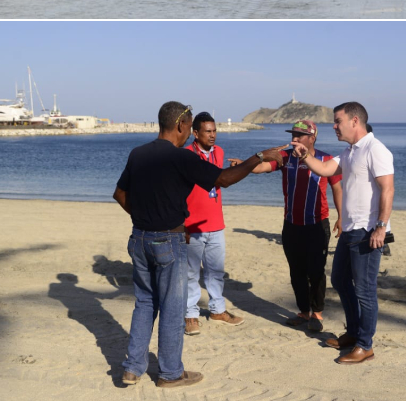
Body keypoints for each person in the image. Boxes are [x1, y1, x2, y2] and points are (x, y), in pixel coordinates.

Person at [113, 101, 283, 388]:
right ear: (181, 126)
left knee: (144, 303)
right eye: (189, 127)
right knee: (171, 306)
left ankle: (132, 368)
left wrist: (146, 218)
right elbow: (225, 179)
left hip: (139, 238)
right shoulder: (180, 157)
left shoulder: (137, 153)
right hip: (168, 239)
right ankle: (169, 373)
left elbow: (120, 194)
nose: (188, 133)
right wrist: (258, 157)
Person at [293, 102, 393, 364]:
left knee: (365, 290)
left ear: (355, 121)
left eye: (338, 121)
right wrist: (304, 155)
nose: (334, 126)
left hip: (367, 231)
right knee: (339, 280)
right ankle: (352, 333)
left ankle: (365, 345)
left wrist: (381, 227)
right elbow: (325, 169)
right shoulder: (350, 152)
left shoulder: (375, 149)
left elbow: (388, 189)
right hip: (349, 230)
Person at [238, 120, 344, 333]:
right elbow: (262, 167)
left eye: (299, 135)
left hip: (317, 224)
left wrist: (342, 217)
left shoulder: (326, 159)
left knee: (316, 271)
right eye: (293, 135)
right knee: (296, 271)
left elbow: (337, 189)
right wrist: (245, 166)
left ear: (312, 138)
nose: (294, 139)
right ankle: (303, 312)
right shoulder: (285, 157)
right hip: (291, 224)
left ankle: (318, 313)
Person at [181, 112, 242, 336]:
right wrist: (183, 224)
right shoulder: (186, 155)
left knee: (216, 272)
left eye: (215, 130)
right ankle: (190, 315)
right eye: (208, 131)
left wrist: (236, 170)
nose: (213, 135)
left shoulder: (220, 152)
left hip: (216, 223)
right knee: (190, 274)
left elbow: (220, 182)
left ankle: (217, 310)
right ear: (195, 133)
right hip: (193, 225)